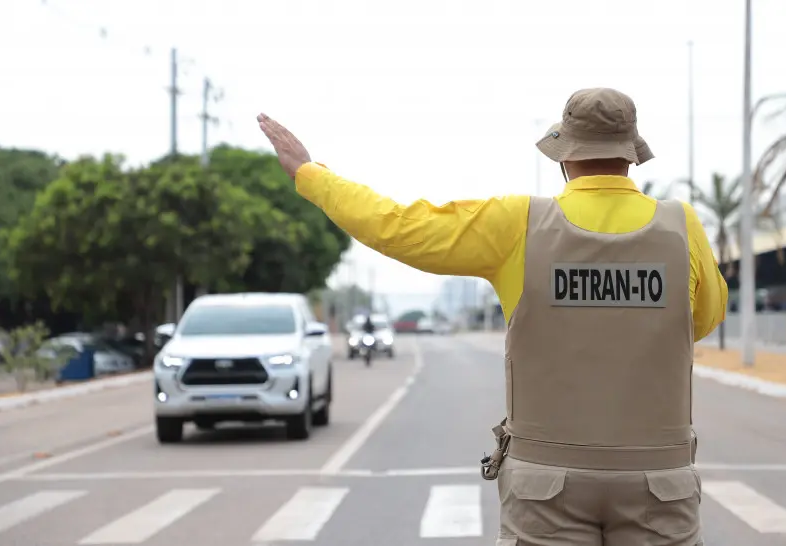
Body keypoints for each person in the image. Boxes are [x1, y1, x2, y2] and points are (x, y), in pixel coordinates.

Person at [257, 87, 727, 546]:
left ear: (564, 157)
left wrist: (311, 175)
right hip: (659, 486)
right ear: (631, 155)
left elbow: (399, 226)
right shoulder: (680, 226)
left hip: (547, 489)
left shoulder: (517, 224)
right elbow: (700, 320)